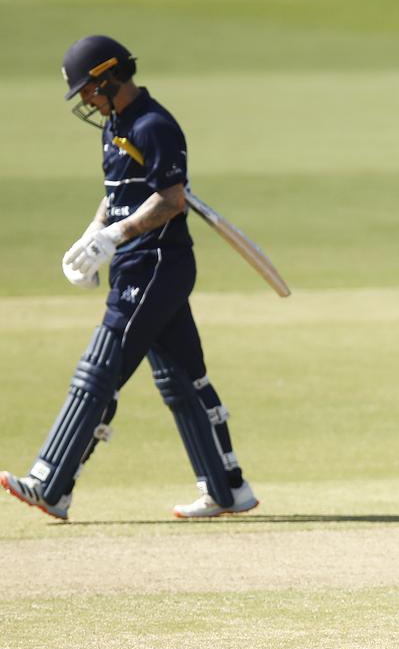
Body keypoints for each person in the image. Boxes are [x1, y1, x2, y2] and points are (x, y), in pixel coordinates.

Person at [0, 35, 257, 520]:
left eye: (88, 90)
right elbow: (119, 193)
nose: (85, 101)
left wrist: (115, 236)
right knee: (181, 377)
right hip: (136, 262)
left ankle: (51, 482)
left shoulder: (155, 125)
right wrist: (93, 235)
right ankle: (227, 488)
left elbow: (170, 200)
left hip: (157, 262)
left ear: (111, 77)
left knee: (99, 371)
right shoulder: (116, 125)